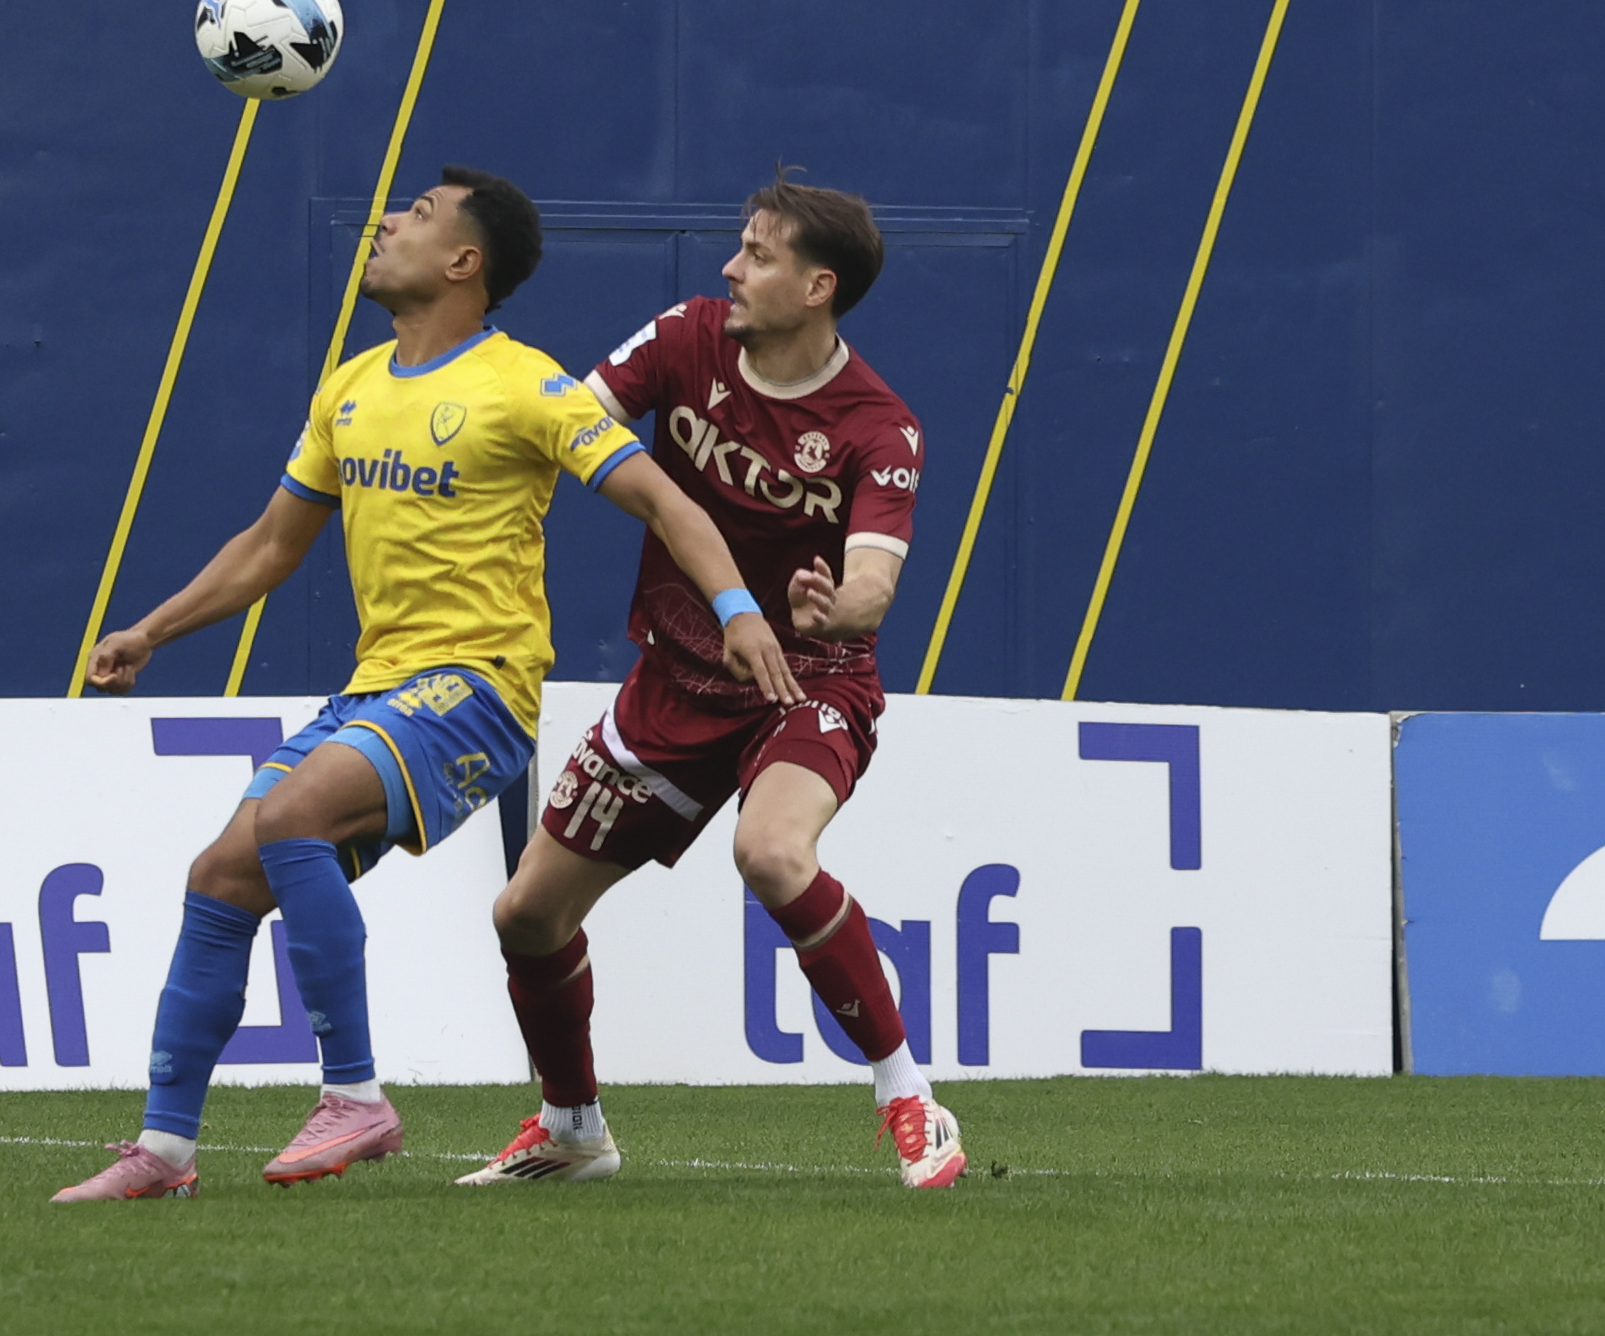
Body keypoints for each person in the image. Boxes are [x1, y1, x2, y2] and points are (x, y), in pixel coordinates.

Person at [53, 166, 799, 1202]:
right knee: (220, 875)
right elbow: (270, 546)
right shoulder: (349, 388)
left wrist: (738, 610)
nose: (384, 222)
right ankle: (165, 1152)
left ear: (463, 261)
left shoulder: (525, 385)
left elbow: (667, 504)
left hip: (479, 687)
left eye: (415, 214)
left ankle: (355, 1096)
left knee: (293, 816)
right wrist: (151, 631)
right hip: (377, 691)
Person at [457, 169, 966, 1191]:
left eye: (758, 255)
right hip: (677, 679)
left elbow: (872, 584)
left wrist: (835, 608)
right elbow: (573, 425)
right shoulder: (685, 337)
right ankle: (572, 1128)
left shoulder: (880, 426)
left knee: (770, 852)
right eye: (739, 248)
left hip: (807, 680)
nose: (730, 268)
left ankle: (909, 1096)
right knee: (525, 915)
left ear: (817, 287)